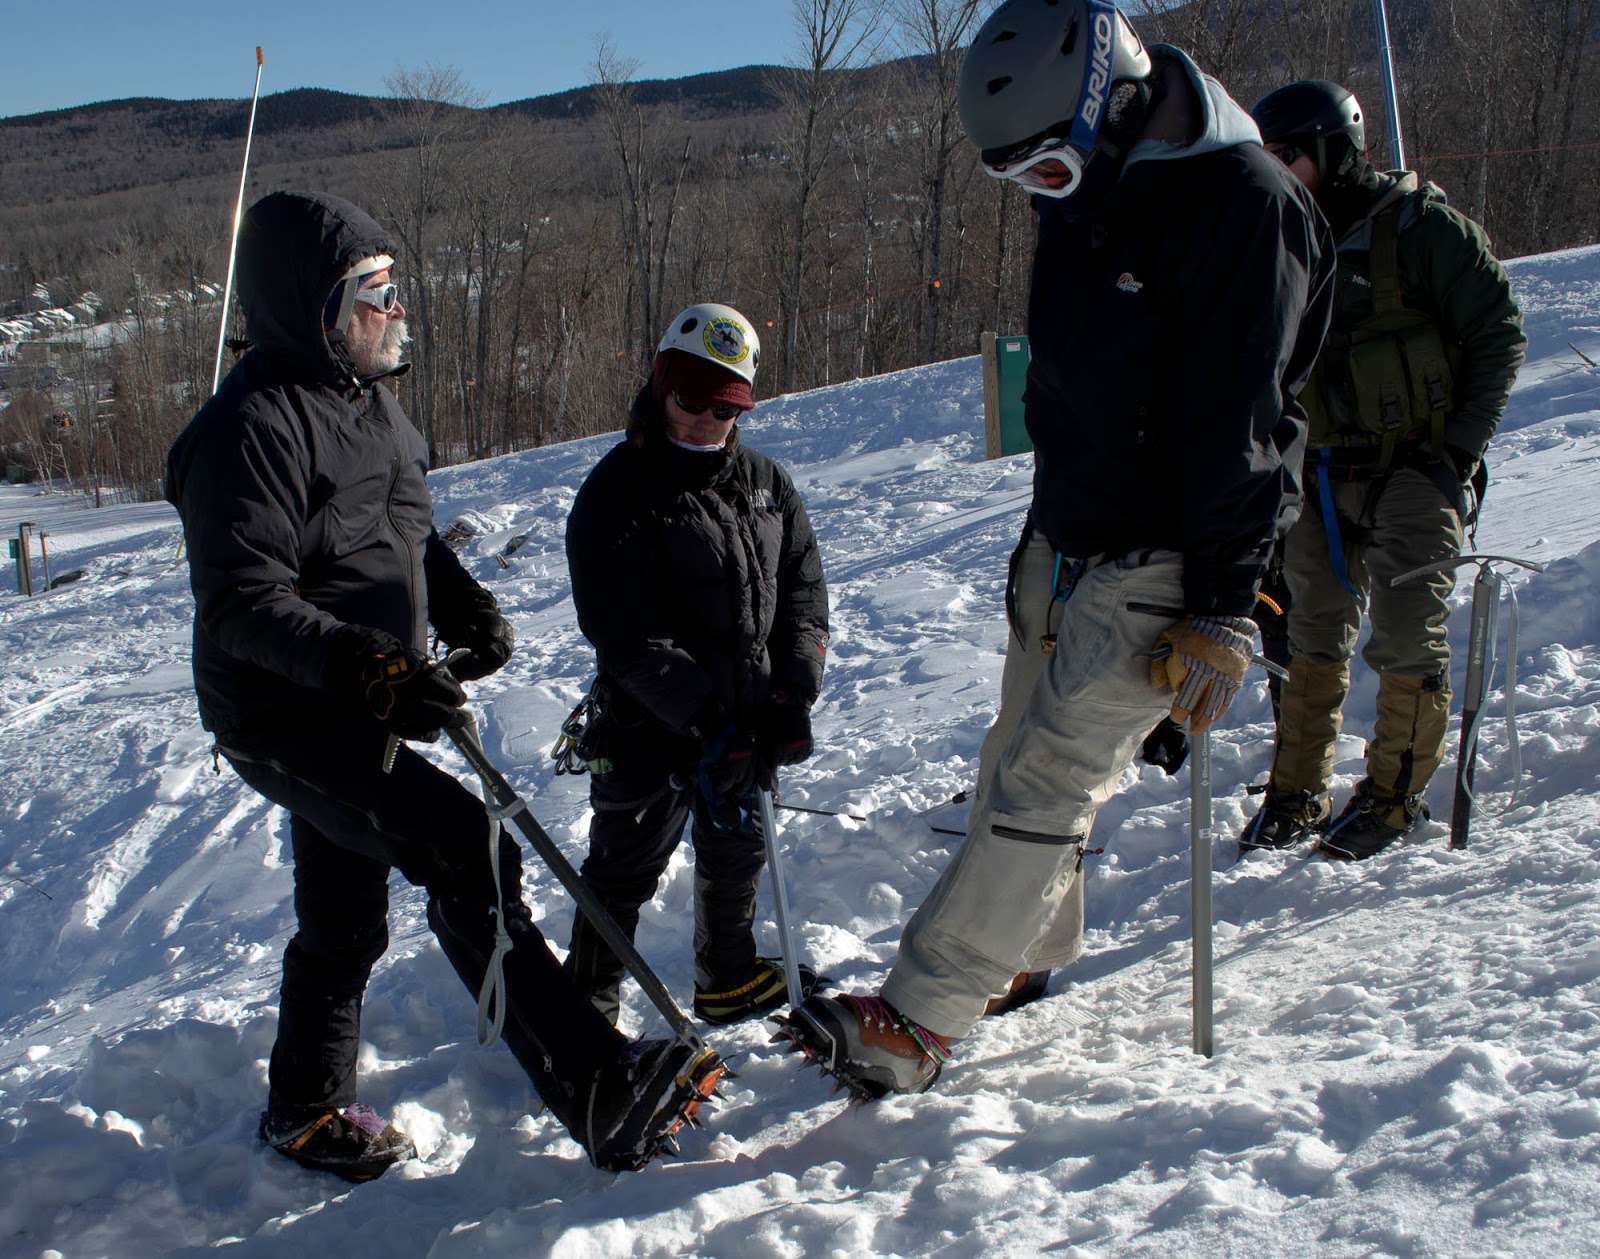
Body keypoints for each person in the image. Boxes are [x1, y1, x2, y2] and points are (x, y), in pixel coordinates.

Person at [778, 0, 1335, 1097]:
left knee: (1048, 778)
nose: (1036, 194)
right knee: (1010, 760)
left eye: (1043, 169)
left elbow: (1249, 422)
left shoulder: (1244, 205)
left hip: (1174, 550)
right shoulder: (1093, 185)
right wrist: (1045, 528)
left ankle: (920, 1017)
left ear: (1112, 102)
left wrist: (1227, 600)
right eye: (1016, 179)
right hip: (1070, 532)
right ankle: (1021, 954)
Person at [165, 190, 721, 1181]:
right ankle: (593, 1083)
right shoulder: (246, 429)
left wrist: (461, 604)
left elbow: (402, 525)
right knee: (465, 843)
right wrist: (367, 662)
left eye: (393, 287)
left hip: (360, 693)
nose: (396, 308)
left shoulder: (367, 402)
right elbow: (242, 603)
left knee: (345, 915)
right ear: (316, 307)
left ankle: (302, 1108)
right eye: (372, 292)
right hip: (283, 709)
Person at [1238, 81, 1526, 861]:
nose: (1277, 170)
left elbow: (1499, 333)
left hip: (1415, 471)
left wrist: (1455, 457)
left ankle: (1395, 797)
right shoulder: (1284, 236)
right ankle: (1296, 791)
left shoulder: (1423, 230)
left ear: (1332, 151)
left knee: (1405, 640)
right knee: (1307, 638)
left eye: (1288, 155)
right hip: (1322, 478)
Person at [563, 302, 829, 1028]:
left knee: (738, 848)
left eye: (725, 406)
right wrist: (706, 721)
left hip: (746, 716)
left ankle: (728, 974)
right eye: (689, 399)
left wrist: (791, 696)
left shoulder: (767, 483)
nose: (704, 419)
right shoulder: (616, 492)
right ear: (659, 383)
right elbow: (626, 632)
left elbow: (805, 598)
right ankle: (586, 1006)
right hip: (652, 724)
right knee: (624, 867)